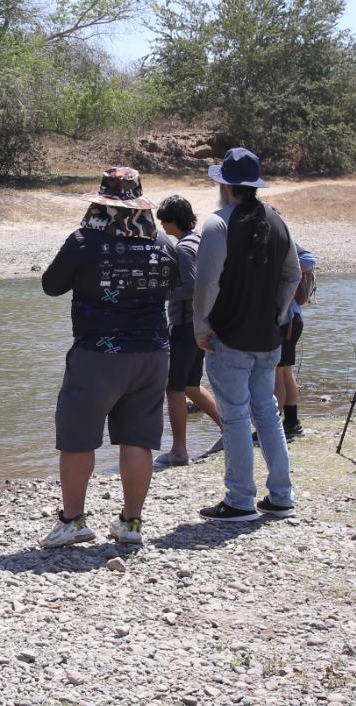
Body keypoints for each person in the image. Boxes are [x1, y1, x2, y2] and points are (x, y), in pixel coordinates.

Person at [38, 167, 177, 548]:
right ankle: (131, 524)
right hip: (152, 352)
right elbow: (175, 285)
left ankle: (72, 521)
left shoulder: (85, 241)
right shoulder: (163, 243)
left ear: (101, 203)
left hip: (99, 353)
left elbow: (51, 286)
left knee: (78, 439)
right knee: (138, 439)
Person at [193, 147, 301, 522]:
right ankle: (281, 496)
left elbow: (206, 283)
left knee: (236, 416)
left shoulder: (217, 223)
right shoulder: (277, 220)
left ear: (224, 184)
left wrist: (200, 326)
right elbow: (294, 274)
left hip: (229, 336)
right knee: (268, 413)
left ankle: (240, 500)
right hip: (268, 336)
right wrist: (279, 312)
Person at [154, 195, 225, 467]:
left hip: (186, 326)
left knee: (174, 390)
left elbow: (194, 286)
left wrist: (164, 292)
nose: (162, 226)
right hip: (200, 325)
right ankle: (229, 430)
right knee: (191, 386)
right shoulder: (198, 240)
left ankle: (179, 451)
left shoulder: (183, 248)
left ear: (173, 221)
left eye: (164, 220)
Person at [276, 243, 318, 441]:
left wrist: (284, 269)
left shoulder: (284, 243)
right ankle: (291, 423)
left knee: (278, 373)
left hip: (287, 322)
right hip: (291, 320)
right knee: (284, 371)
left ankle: (276, 425)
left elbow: (310, 259)